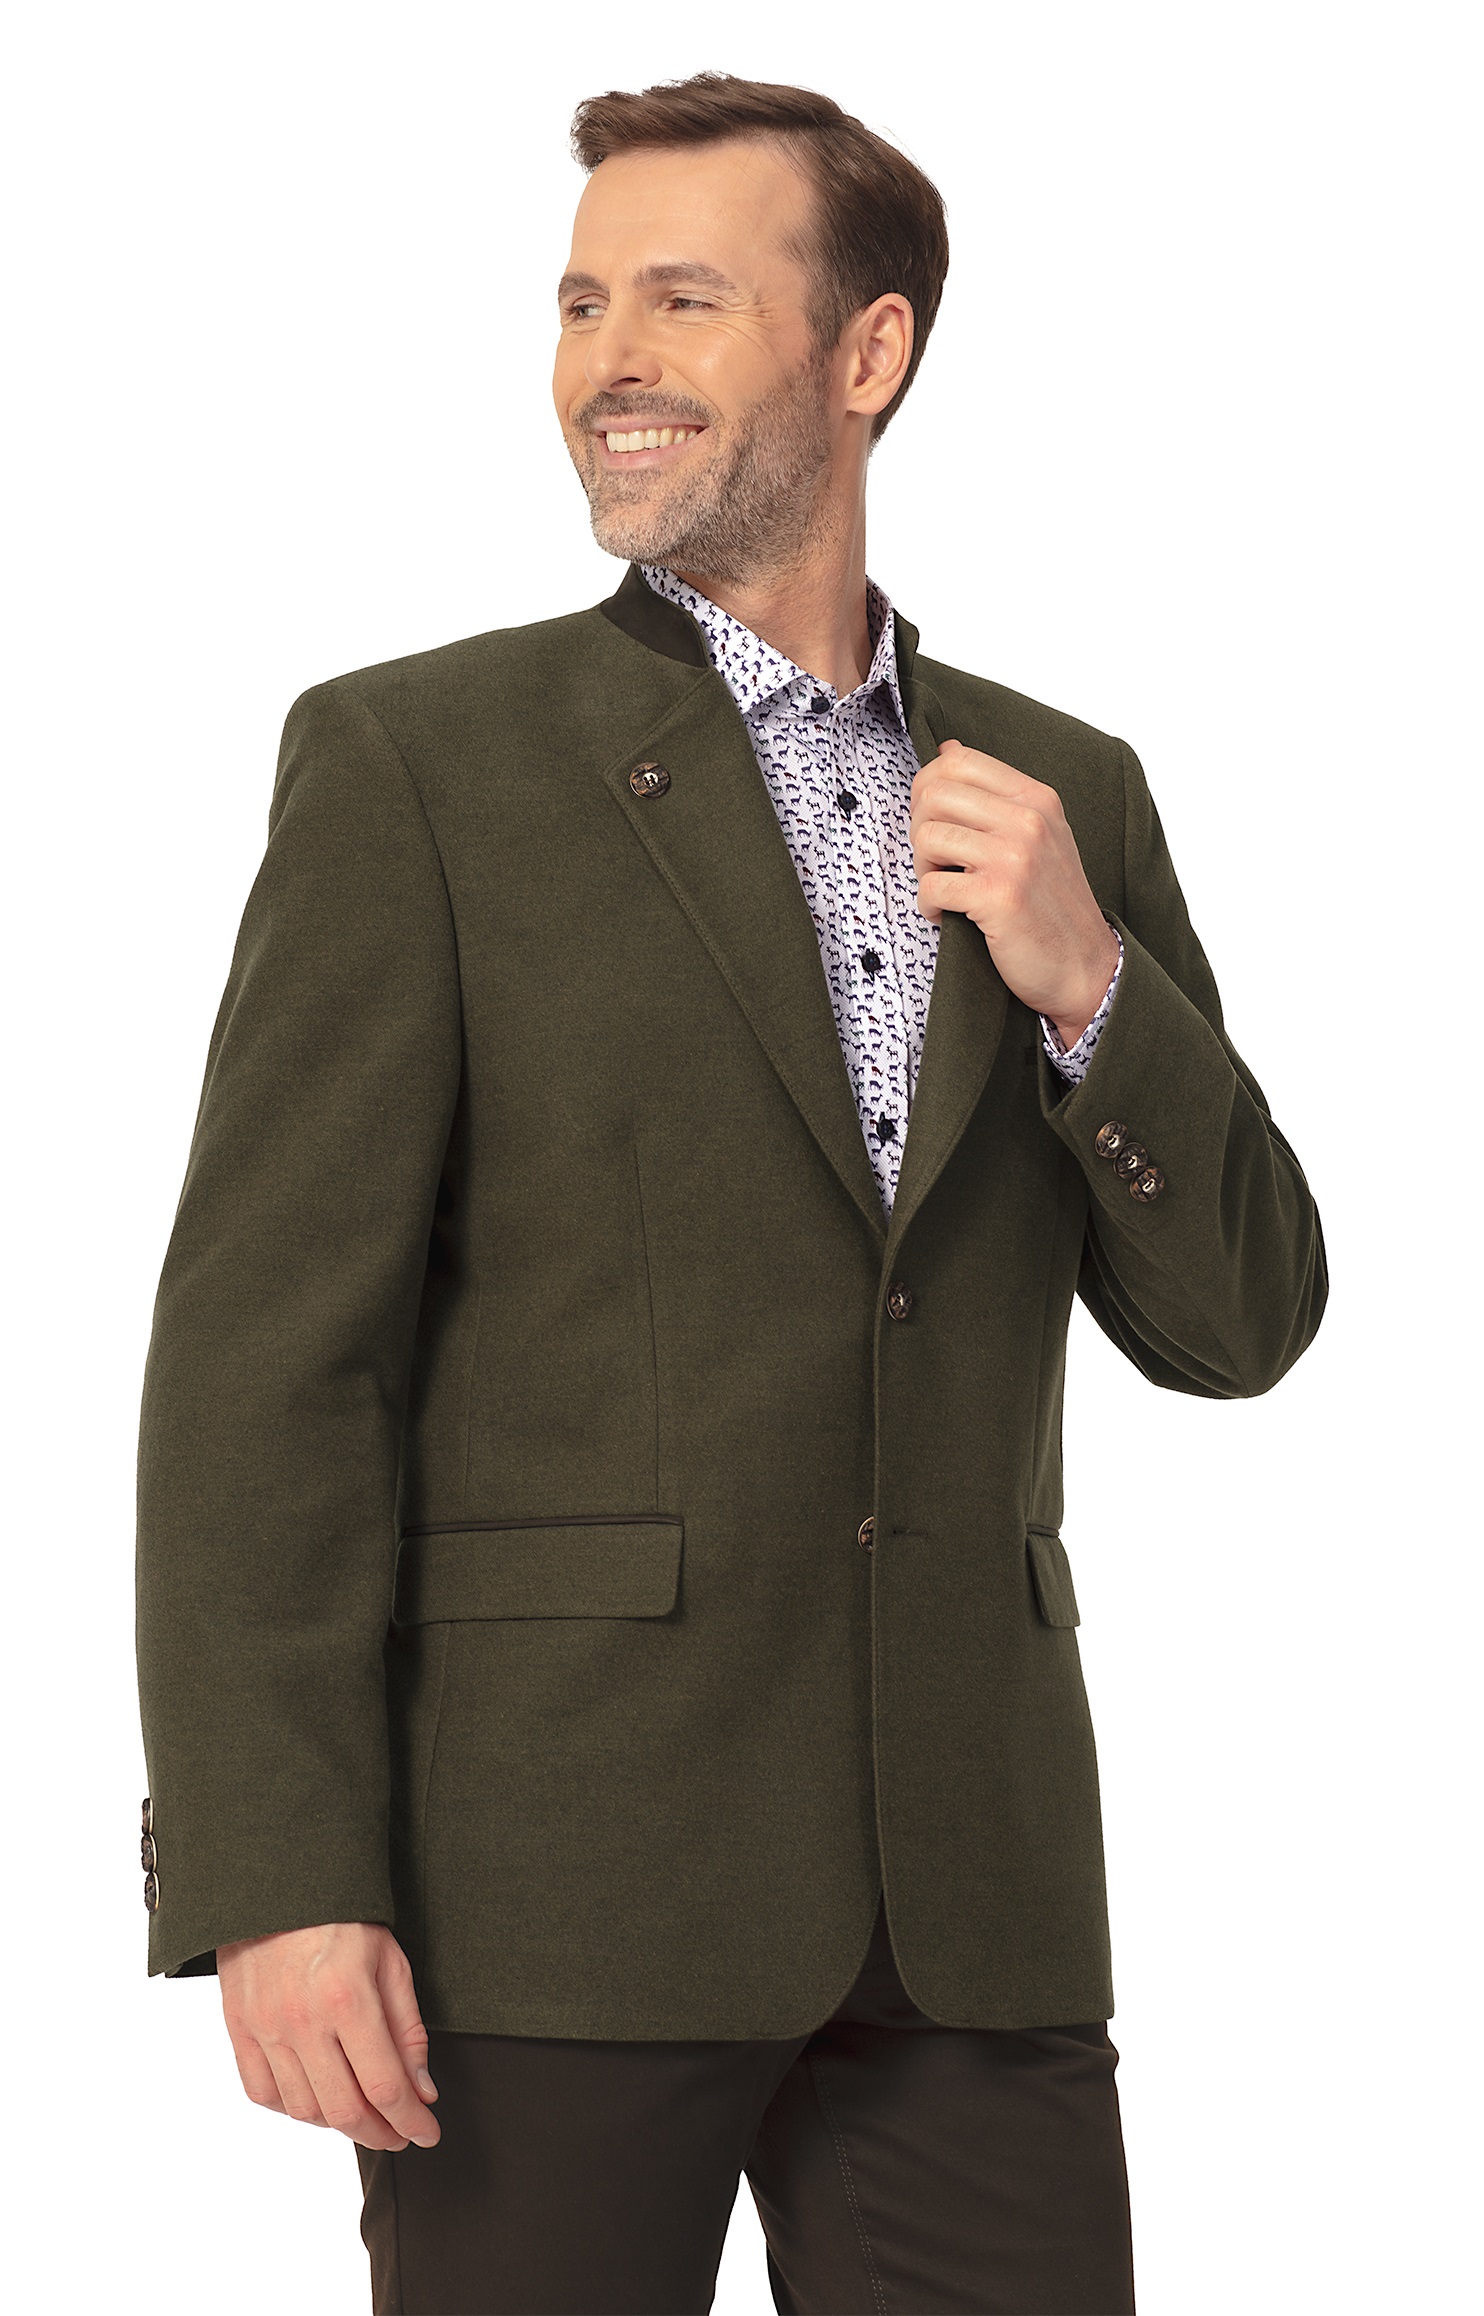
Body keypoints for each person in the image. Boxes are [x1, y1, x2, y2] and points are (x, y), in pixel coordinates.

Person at [135, 72, 1326, 2316]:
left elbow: (1242, 1320)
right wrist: (275, 1870)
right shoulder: (417, 766)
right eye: (581, 303)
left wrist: (1091, 985)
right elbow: (267, 1371)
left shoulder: (1064, 794)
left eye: (681, 300)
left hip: (968, 1905)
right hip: (552, 1889)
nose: (611, 361)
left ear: (867, 353)